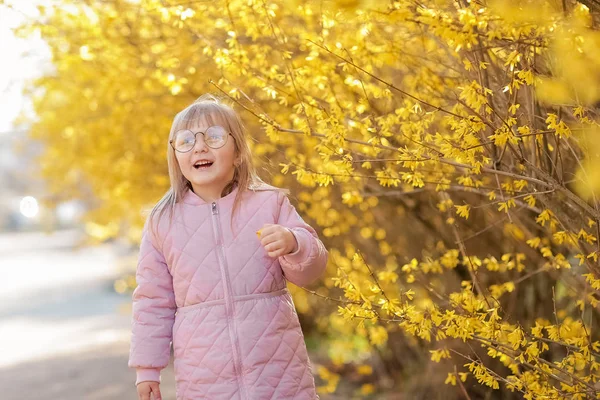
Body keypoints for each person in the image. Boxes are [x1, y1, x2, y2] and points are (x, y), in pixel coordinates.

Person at [128, 94, 329, 400]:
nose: (199, 146)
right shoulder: (163, 221)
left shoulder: (269, 204)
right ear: (176, 157)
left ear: (237, 152)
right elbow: (152, 300)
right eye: (185, 141)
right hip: (205, 378)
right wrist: (147, 369)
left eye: (214, 137)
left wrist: (293, 242)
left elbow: (312, 269)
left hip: (277, 371)